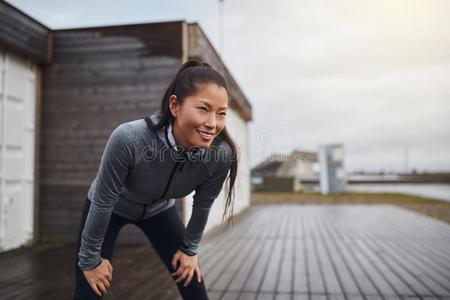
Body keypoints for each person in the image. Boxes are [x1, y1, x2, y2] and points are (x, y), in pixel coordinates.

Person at [73, 60, 238, 299]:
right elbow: (103, 203)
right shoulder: (130, 138)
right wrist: (89, 261)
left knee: (193, 283)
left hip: (159, 211)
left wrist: (189, 251)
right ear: (175, 105)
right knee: (88, 289)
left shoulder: (219, 155)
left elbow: (203, 205)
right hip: (110, 208)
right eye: (203, 108)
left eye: (221, 113)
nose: (213, 124)